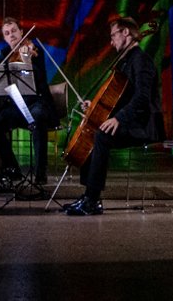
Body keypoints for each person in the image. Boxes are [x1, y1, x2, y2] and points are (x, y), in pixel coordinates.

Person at [63, 15, 161, 216]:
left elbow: (143, 98)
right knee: (92, 131)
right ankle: (89, 195)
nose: (111, 41)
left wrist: (119, 118)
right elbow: (121, 98)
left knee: (101, 135)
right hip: (130, 120)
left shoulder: (141, 61)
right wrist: (96, 106)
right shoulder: (126, 61)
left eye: (113, 35)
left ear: (126, 33)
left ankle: (92, 199)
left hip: (143, 125)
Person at [0, 17, 57, 188]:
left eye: (14, 31)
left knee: (38, 118)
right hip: (16, 107)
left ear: (21, 32)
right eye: (7, 33)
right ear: (4, 37)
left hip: (37, 103)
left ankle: (40, 174)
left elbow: (40, 78)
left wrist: (27, 62)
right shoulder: (4, 54)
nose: (11, 35)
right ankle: (13, 168)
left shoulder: (35, 51)